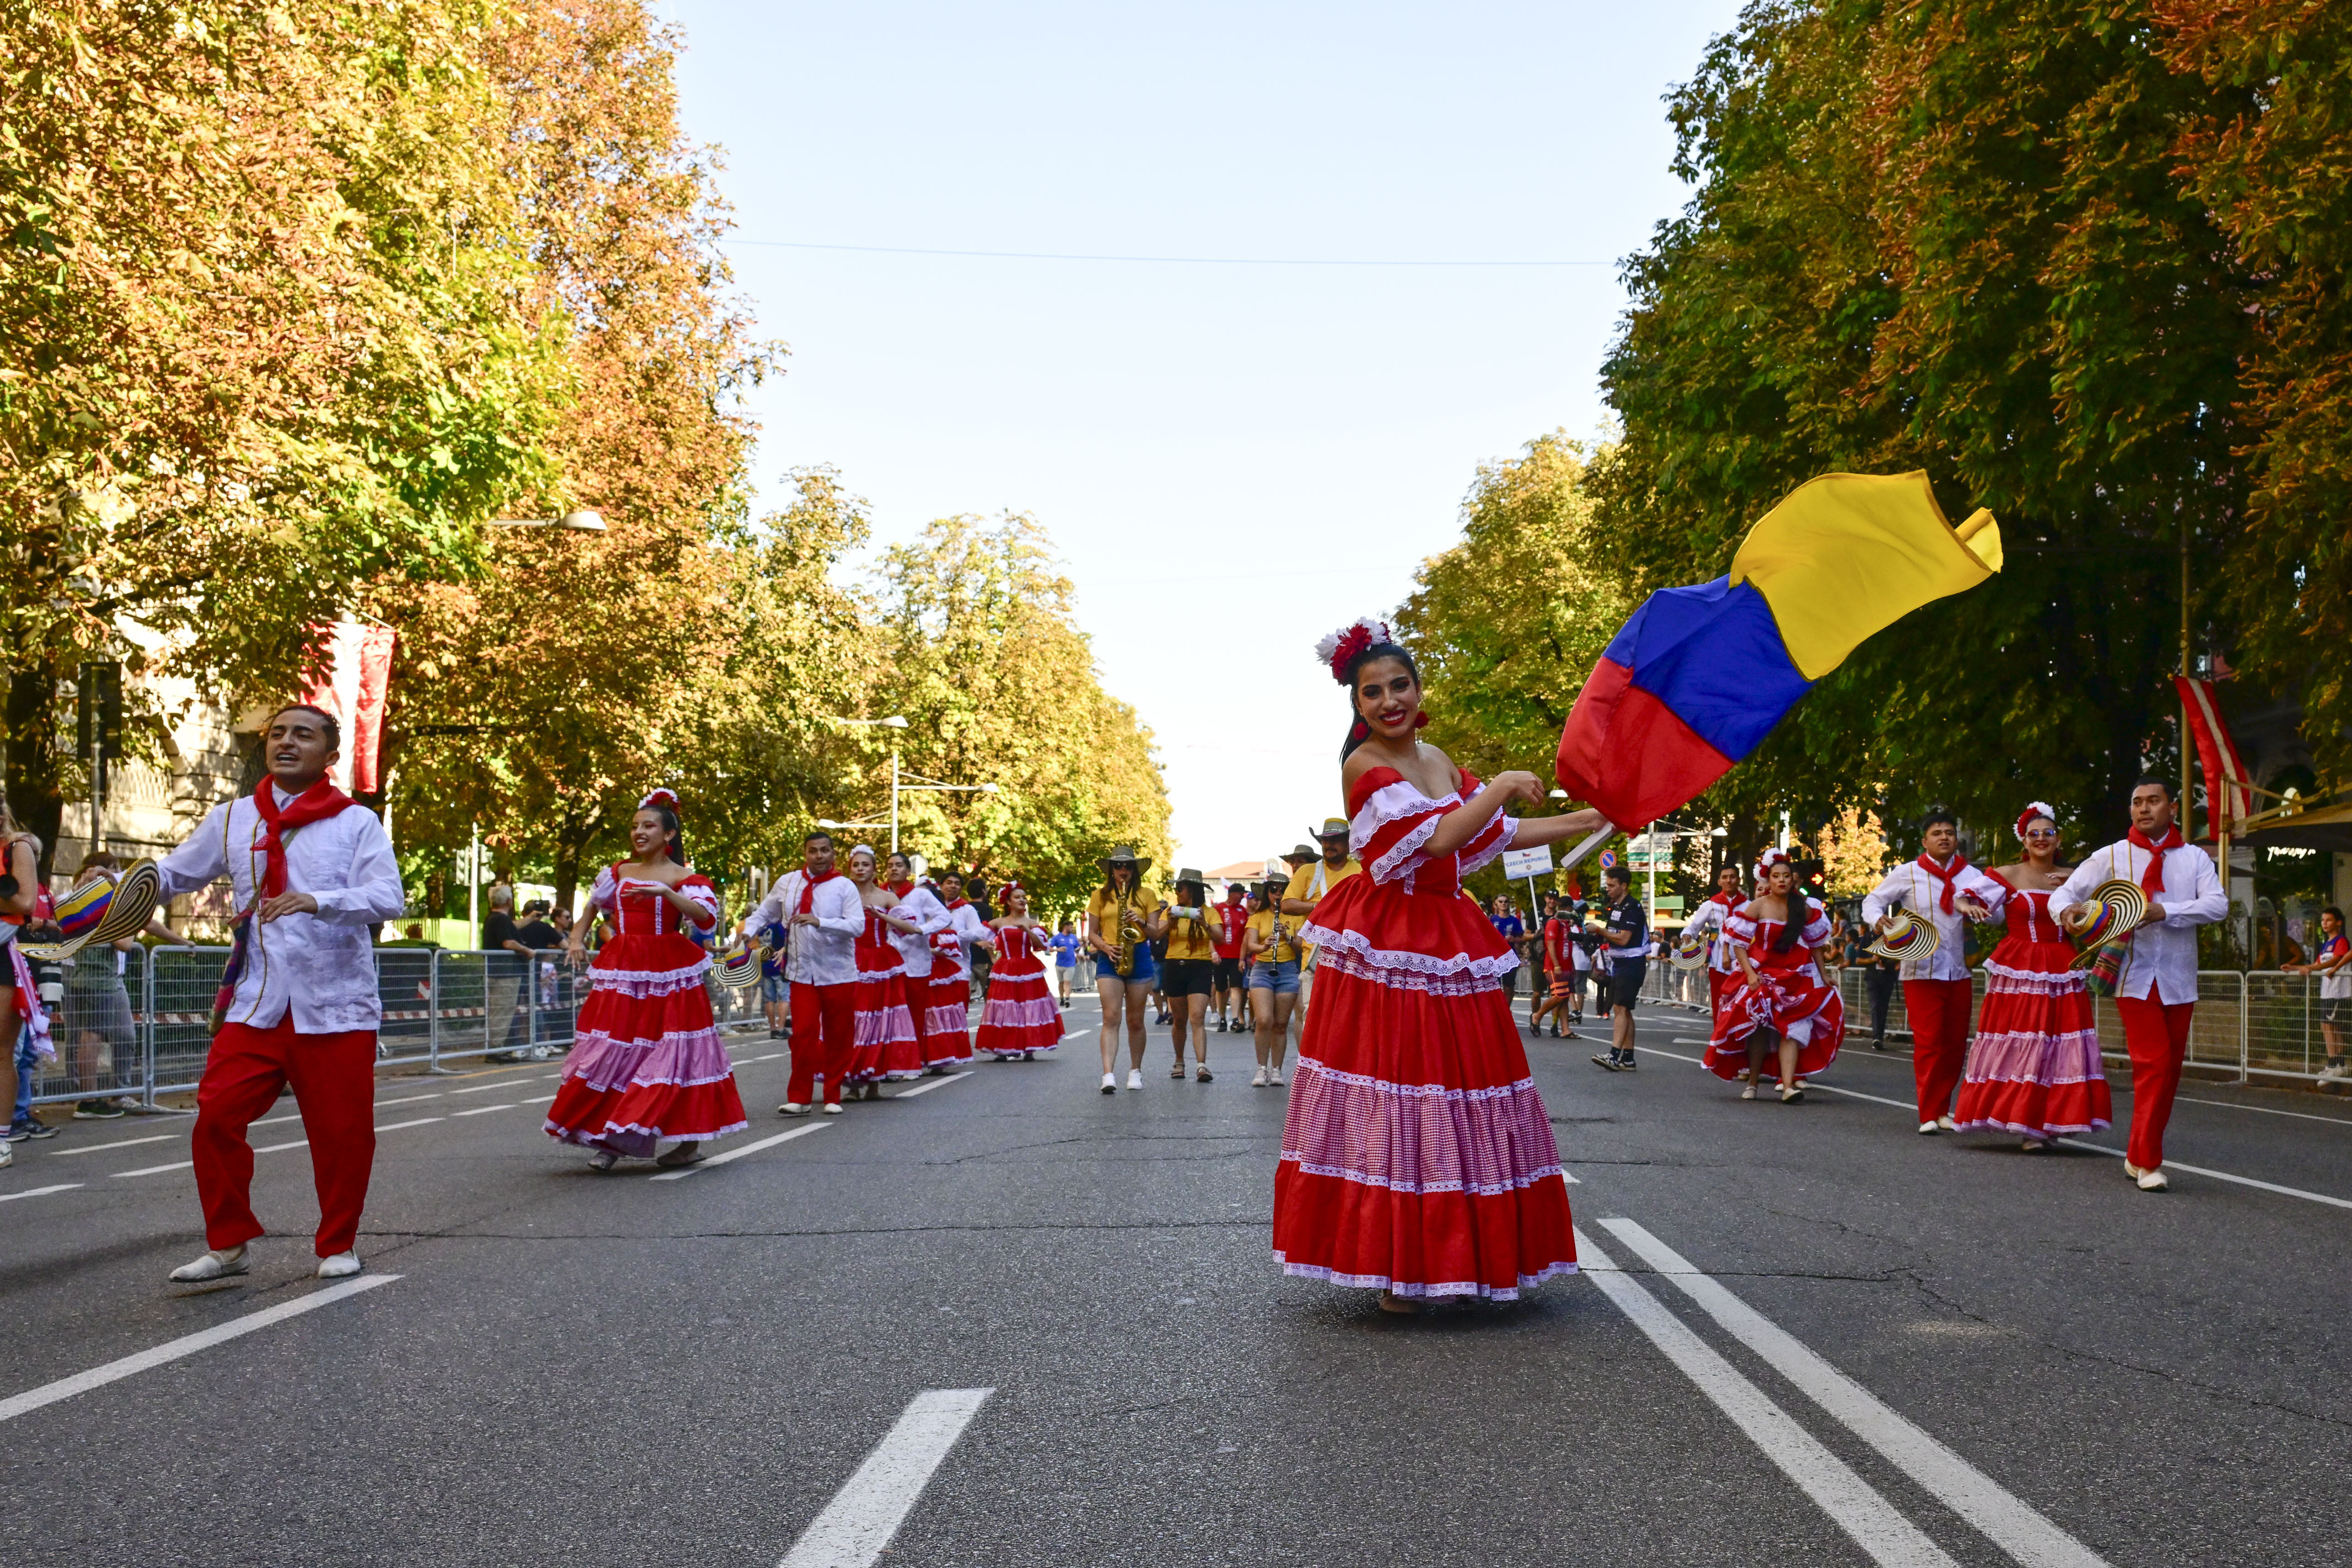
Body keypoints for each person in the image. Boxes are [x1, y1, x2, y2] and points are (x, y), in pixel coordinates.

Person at [1272, 618, 1602, 1311]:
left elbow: (1496, 834)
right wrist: (1507, 778)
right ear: (1356, 705)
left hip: (1448, 933)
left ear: (1420, 689)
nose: (1389, 701)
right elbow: (1444, 834)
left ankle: (1452, 1261)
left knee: (1459, 1092)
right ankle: (1399, 1267)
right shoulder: (1363, 767)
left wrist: (1590, 820)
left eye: (1399, 685)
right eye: (1372, 693)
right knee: (1401, 1093)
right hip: (1390, 942)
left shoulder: (1441, 758)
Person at [156, 704, 407, 1280]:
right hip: (257, 1002)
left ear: (330, 755)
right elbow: (174, 874)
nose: (286, 742)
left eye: (303, 734)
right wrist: (117, 889)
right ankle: (228, 1245)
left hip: (335, 1005)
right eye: (277, 734)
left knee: (342, 1135)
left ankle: (337, 1244)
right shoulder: (231, 818)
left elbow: (388, 896)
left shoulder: (356, 822)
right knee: (215, 1117)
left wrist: (319, 900)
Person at [544, 791, 745, 1168]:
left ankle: (685, 1143)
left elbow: (705, 919)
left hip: (670, 971)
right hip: (624, 968)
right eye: (635, 826)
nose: (639, 832)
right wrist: (575, 940)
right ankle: (608, 1139)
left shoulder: (686, 877)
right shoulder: (619, 871)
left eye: (648, 825)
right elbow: (590, 909)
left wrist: (668, 892)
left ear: (669, 834)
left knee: (674, 1055)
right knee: (614, 1050)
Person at [2052, 777, 2227, 1191]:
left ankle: (2136, 1153)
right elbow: (2065, 894)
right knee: (2154, 1065)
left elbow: (2217, 905)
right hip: (2132, 975)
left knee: (2169, 1072)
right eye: (2137, 802)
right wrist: (2068, 914)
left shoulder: (2194, 858)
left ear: (2173, 807)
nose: (2144, 808)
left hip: (2180, 978)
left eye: (2153, 801)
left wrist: (2163, 911)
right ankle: (2149, 1163)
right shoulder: (2111, 855)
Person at [1953, 803, 2108, 1149]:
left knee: (2058, 1041)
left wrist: (2079, 888)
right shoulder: (2008, 873)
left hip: (2061, 964)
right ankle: (2024, 1123)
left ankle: (2047, 1122)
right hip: (2020, 963)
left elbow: (2103, 906)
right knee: (2026, 1038)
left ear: (2058, 839)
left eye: (2048, 833)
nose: (2041, 839)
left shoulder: (2074, 875)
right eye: (2034, 834)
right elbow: (1962, 898)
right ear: (2024, 840)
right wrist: (1970, 907)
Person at [1861, 808, 2004, 1132]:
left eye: (1949, 833)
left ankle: (1943, 1110)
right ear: (1925, 840)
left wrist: (1984, 912)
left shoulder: (1973, 877)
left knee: (1955, 1044)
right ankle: (1928, 1113)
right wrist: (1877, 919)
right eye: (1937, 833)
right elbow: (1872, 901)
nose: (1944, 837)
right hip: (1920, 968)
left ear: (1957, 839)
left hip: (1960, 969)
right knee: (1929, 1043)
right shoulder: (1908, 872)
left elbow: (1998, 916)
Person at [1704, 850, 1844, 1101]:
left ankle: (1789, 1086)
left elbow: (1815, 945)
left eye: (1786, 876)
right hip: (1762, 974)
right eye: (1776, 876)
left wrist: (1824, 975)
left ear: (1794, 880)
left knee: (1793, 1028)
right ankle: (1754, 1083)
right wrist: (1749, 974)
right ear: (1767, 880)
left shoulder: (1803, 907)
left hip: (1796, 975)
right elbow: (1739, 943)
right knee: (1758, 1028)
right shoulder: (1758, 905)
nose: (1781, 880)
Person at [743, 830, 863, 1114]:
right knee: (803, 1035)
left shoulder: (844, 886)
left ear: (833, 854)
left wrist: (821, 921)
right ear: (805, 854)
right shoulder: (788, 882)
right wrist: (747, 933)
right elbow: (764, 913)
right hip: (801, 972)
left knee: (839, 1035)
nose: (819, 856)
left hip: (838, 973)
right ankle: (800, 1097)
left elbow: (857, 926)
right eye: (813, 851)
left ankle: (833, 1095)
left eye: (824, 851)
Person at [64, 852, 183, 1118]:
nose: (120, 876)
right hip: (99, 978)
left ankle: (104, 1095)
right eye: (115, 870)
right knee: (94, 1034)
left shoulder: (90, 897)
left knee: (112, 1034)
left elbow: (147, 924)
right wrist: (130, 911)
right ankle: (90, 1100)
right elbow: (124, 943)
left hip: (93, 976)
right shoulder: (104, 900)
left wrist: (181, 942)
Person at [837, 846, 925, 1097]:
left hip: (880, 961)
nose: (861, 869)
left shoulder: (886, 897)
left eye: (866, 865)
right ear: (850, 869)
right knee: (852, 1020)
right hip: (849, 960)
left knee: (879, 1019)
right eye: (856, 865)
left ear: (875, 869)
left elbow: (911, 928)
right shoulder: (842, 895)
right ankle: (853, 1083)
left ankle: (873, 1081)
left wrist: (882, 916)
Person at [1086, 846, 1159, 1093]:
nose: (1123, 870)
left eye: (1128, 866)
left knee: (1136, 1020)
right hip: (1110, 954)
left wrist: (1139, 921)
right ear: (1111, 870)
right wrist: (1105, 948)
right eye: (1118, 866)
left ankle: (1135, 1071)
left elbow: (1156, 932)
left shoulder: (1147, 894)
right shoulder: (1100, 895)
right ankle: (1108, 1075)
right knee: (1111, 1016)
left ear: (1134, 870)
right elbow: (1091, 934)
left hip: (1138, 952)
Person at [881, 851, 957, 1072]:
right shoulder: (878, 894)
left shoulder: (919, 896)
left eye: (899, 865)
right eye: (890, 865)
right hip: (884, 963)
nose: (894, 869)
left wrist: (920, 930)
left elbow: (945, 917)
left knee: (914, 1013)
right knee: (888, 1013)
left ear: (908, 870)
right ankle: (889, 1063)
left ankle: (912, 1063)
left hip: (915, 962)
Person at [1282, 821, 1362, 1025]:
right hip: (1315, 957)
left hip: (1352, 958)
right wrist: (1320, 907)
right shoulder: (1307, 871)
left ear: (1348, 842)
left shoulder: (1361, 870)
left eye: (1335, 840)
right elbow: (1287, 905)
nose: (1329, 845)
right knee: (1313, 1019)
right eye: (1325, 840)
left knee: (1348, 1019)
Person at [976, 879, 1064, 1060]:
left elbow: (1040, 946)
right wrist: (992, 955)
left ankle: (1029, 1047)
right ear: (1008, 901)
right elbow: (980, 937)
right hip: (1006, 967)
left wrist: (1027, 930)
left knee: (1028, 1006)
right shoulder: (999, 922)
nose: (1022, 900)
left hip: (1027, 967)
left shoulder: (1031, 923)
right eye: (1017, 897)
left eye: (1024, 897)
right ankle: (1002, 1048)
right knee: (1005, 1007)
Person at [1157, 869, 1224, 1081]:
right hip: (1175, 965)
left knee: (1197, 1017)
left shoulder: (1210, 912)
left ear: (1192, 890)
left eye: (1180, 889)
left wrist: (1204, 923)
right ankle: (1179, 1061)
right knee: (1179, 1019)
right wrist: (1171, 922)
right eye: (1176, 889)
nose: (1177, 893)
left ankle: (1202, 1065)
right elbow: (1157, 934)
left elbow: (1221, 939)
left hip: (1200, 967)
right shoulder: (1170, 911)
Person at [1589, 864, 1649, 1072]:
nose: (1608, 889)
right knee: (1625, 1009)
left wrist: (1599, 929)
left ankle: (1614, 1056)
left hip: (1631, 962)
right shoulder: (1615, 906)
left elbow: (1623, 939)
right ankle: (1628, 1058)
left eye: (1612, 885)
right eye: (1607, 885)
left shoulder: (1631, 907)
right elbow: (1612, 934)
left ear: (1624, 886)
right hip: (1620, 963)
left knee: (1621, 1008)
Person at [1241, 881, 1302, 1086]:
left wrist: (1287, 936)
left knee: (1280, 1024)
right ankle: (1261, 1069)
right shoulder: (1257, 917)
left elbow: (1302, 947)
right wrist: (1264, 946)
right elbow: (1251, 945)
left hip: (1287, 969)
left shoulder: (1294, 917)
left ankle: (1277, 1070)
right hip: (1263, 970)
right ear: (1267, 894)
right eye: (1273, 890)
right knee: (1265, 1020)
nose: (1278, 894)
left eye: (1282, 890)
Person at [925, 870, 987, 1068]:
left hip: (958, 969)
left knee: (954, 1012)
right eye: (949, 883)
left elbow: (979, 933)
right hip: (930, 967)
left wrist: (954, 936)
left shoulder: (966, 909)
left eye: (957, 884)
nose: (953, 886)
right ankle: (935, 1054)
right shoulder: (929, 908)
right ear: (941, 886)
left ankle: (950, 1051)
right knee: (931, 1013)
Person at [2287, 907, 2349, 1081]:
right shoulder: (2326, 944)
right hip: (2326, 991)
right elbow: (2316, 965)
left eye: (2329, 920)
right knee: (2327, 1026)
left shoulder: (2341, 941)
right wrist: (2295, 967)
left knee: (2331, 1026)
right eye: (2323, 921)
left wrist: (2311, 968)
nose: (2325, 924)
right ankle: (2336, 1063)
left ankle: (2336, 1064)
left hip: (2337, 991)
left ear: (2338, 922)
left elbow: (2336, 960)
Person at [1682, 864, 1746, 1030]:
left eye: (1732, 877)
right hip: (1718, 963)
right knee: (1720, 1002)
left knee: (1741, 1003)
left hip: (1744, 963)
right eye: (1725, 877)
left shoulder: (1748, 905)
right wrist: (1688, 935)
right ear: (1719, 881)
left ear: (1738, 880)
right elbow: (1694, 927)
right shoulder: (1710, 905)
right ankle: (1720, 1040)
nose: (1729, 881)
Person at [1209, 882, 1248, 1032]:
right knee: (1221, 988)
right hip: (1221, 954)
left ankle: (1236, 1019)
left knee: (1236, 987)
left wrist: (1243, 957)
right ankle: (1223, 1017)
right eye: (1240, 894)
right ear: (1232, 894)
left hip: (1237, 955)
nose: (1242, 897)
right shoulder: (1218, 909)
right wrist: (1213, 952)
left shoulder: (1242, 910)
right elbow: (1210, 935)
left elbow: (1245, 934)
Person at [1049, 918, 1081, 1008]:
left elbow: (1077, 947)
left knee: (1068, 981)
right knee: (1061, 982)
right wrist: (1058, 949)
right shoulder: (1057, 937)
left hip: (1070, 964)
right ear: (1065, 927)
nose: (1071, 929)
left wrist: (1077, 953)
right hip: (1059, 963)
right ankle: (1062, 998)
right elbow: (1050, 948)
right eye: (1070, 927)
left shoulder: (1073, 938)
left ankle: (1067, 999)